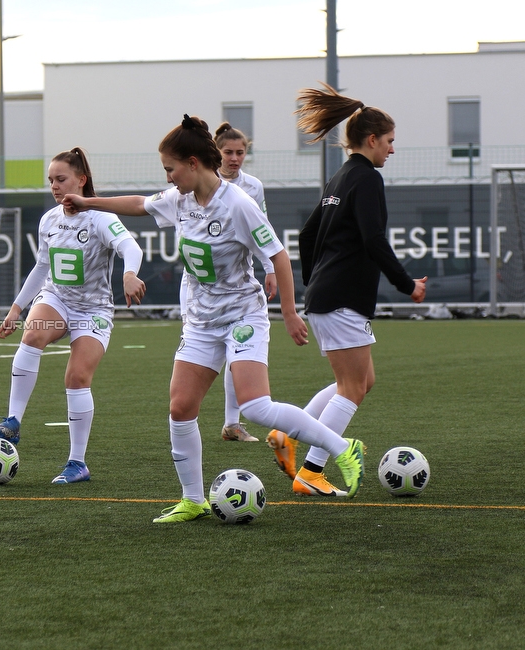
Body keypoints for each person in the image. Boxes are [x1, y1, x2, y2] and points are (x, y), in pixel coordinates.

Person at [64, 115, 366, 522]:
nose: (168, 178)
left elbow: (276, 255)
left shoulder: (239, 204)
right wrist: (87, 202)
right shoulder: (179, 200)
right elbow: (138, 204)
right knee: (180, 406)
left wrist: (290, 313)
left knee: (255, 406)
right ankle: (193, 499)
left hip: (243, 314)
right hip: (201, 322)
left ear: (192, 163)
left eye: (170, 169)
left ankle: (343, 449)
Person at [266, 84, 427, 497]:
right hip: (341, 300)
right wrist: (407, 285)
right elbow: (374, 239)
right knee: (352, 388)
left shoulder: (340, 176)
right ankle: (312, 472)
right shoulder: (367, 179)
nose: (392, 149)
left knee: (361, 380)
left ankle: (289, 433)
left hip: (328, 296)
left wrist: (315, 282)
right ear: (372, 140)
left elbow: (306, 234)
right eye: (389, 141)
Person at [0, 147, 146, 484]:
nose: (55, 186)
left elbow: (132, 247)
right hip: (57, 299)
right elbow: (41, 268)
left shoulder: (101, 217)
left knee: (76, 378)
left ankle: (77, 463)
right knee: (32, 335)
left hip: (93, 310)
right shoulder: (49, 220)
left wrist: (130, 274)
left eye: (61, 179)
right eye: (51, 180)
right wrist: (16, 308)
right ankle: (12, 422)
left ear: (81, 179)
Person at [215, 122, 276, 443]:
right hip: (205, 288)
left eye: (241, 152)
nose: (235, 158)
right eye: (228, 152)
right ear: (216, 152)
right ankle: (184, 421)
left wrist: (270, 268)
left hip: (240, 282)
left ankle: (231, 424)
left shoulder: (253, 186)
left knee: (236, 348)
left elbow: (262, 231)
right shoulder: (198, 184)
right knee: (213, 354)